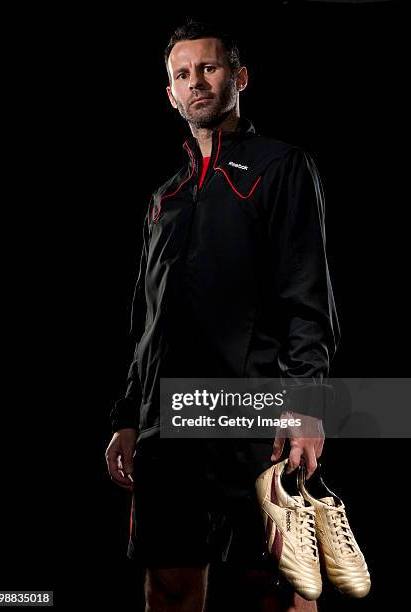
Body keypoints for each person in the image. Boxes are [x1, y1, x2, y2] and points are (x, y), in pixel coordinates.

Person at [105, 18, 340, 612]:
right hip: (168, 426)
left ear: (239, 77)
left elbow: (306, 294)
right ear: (170, 93)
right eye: (182, 74)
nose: (196, 82)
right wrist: (129, 415)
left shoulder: (281, 167)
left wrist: (307, 402)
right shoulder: (166, 197)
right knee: (169, 589)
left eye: (208, 69)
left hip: (252, 412)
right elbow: (145, 321)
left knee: (282, 591)